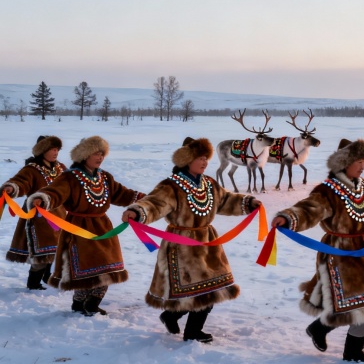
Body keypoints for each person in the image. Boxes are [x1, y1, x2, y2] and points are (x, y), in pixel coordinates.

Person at [271, 139, 364, 363]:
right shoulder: (327, 191)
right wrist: (288, 218)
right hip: (339, 254)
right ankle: (349, 350)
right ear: (344, 163)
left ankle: (322, 330)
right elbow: (309, 209)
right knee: (361, 303)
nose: (362, 166)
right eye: (358, 161)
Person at [121, 138, 261, 343]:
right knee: (200, 292)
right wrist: (137, 211)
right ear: (186, 160)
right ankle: (192, 331)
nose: (204, 162)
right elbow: (155, 203)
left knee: (212, 288)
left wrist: (247, 202)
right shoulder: (171, 186)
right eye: (199, 158)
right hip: (182, 245)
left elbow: (226, 200)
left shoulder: (208, 183)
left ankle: (171, 316)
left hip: (207, 243)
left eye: (206, 158)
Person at [28, 136, 145, 315]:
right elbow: (55, 192)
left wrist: (148, 200)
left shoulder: (105, 177)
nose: (100, 157)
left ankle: (92, 303)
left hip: (103, 228)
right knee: (84, 269)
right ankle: (79, 303)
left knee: (108, 266)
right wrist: (43, 199)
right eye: (96, 154)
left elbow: (123, 194)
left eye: (102, 154)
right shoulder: (70, 177)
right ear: (84, 155)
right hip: (78, 228)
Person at [3, 136, 67, 290]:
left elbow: (70, 185)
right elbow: (20, 182)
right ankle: (33, 283)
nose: (56, 152)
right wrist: (12, 187)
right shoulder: (31, 169)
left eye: (57, 149)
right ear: (42, 151)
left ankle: (47, 277)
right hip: (38, 217)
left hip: (59, 214)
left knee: (56, 248)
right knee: (41, 250)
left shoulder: (61, 168)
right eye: (52, 149)